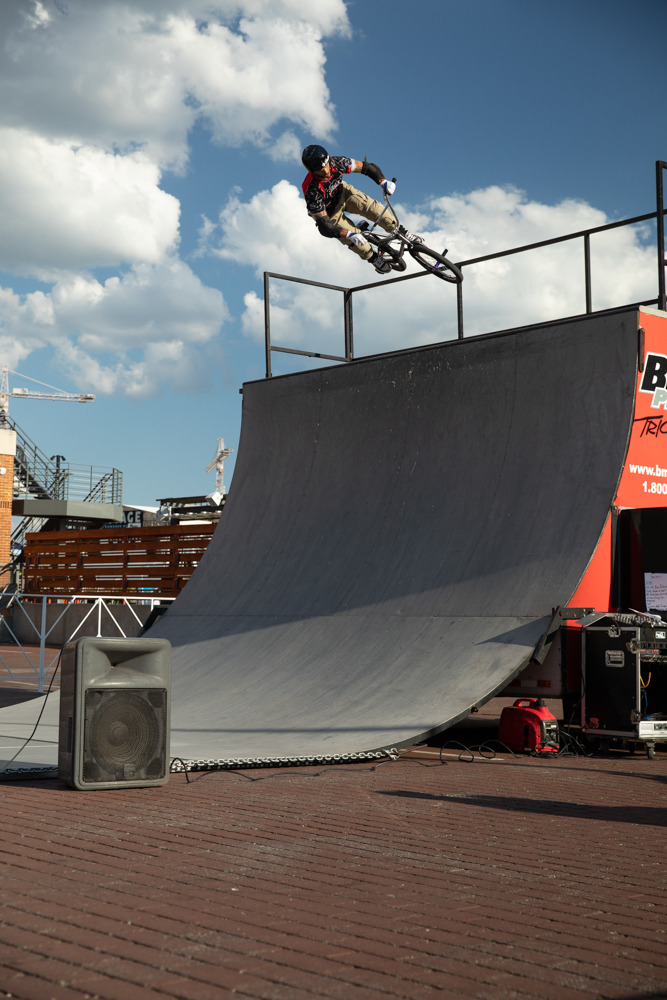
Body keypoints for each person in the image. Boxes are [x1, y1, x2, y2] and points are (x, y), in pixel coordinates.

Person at [301, 144, 421, 274]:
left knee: (374, 209)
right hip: (331, 214)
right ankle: (373, 258)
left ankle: (402, 232)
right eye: (319, 170)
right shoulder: (312, 191)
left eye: (325, 165)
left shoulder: (337, 162)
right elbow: (324, 227)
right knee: (356, 242)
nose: (325, 171)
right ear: (311, 171)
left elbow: (367, 168)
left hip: (344, 194)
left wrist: (383, 181)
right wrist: (348, 234)